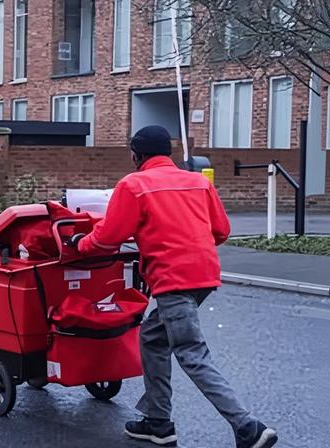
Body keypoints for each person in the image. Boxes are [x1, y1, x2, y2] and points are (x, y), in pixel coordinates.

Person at [69, 126, 278, 448]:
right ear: (167, 152)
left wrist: (80, 244)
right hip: (203, 276)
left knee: (191, 353)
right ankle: (157, 422)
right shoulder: (197, 182)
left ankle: (247, 427)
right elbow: (221, 230)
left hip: (173, 280)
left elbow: (108, 237)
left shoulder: (134, 185)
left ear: (136, 154)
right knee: (153, 338)